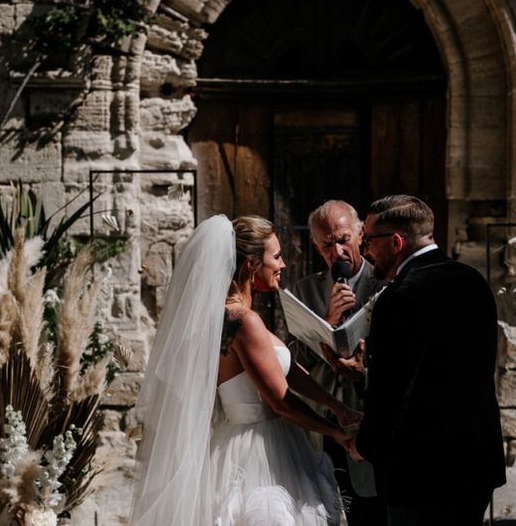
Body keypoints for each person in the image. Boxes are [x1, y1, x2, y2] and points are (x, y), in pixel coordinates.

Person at [131, 214, 360, 526]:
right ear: (252, 265)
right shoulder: (243, 321)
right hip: (260, 449)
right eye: (276, 257)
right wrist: (334, 430)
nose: (283, 265)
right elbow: (279, 400)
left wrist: (337, 407)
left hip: (241, 438)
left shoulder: (230, 316)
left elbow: (288, 371)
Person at [345, 195, 505, 525]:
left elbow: (393, 392)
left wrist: (366, 445)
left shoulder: (400, 296)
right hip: (475, 461)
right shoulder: (473, 280)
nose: (365, 251)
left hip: (422, 473)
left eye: (369, 240)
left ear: (396, 241)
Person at [291, 200, 386, 525]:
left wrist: (366, 373)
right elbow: (291, 360)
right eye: (328, 244)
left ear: (361, 234)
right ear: (317, 247)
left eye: (344, 238)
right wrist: (327, 320)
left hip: (371, 415)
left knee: (370, 511)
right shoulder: (306, 289)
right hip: (323, 420)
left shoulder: (386, 283)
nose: (338, 250)